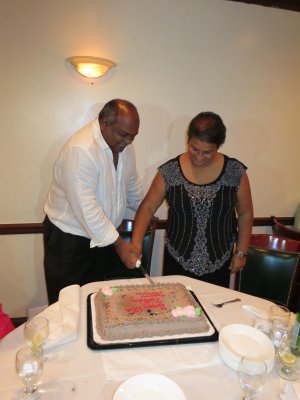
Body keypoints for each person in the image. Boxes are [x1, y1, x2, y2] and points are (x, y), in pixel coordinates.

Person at [129, 111, 253, 288]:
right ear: (188, 139)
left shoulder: (235, 172)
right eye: (194, 149)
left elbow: (245, 213)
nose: (199, 157)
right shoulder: (169, 171)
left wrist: (241, 252)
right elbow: (148, 207)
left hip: (219, 262)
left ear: (218, 146)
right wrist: (136, 244)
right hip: (177, 259)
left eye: (207, 152)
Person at [43, 99, 143, 303]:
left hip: (103, 238)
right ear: (104, 122)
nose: (129, 142)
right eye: (124, 135)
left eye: (133, 136)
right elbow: (87, 209)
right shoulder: (81, 149)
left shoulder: (126, 147)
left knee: (95, 303)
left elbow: (132, 186)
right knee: (68, 307)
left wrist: (146, 211)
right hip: (70, 242)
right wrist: (119, 244)